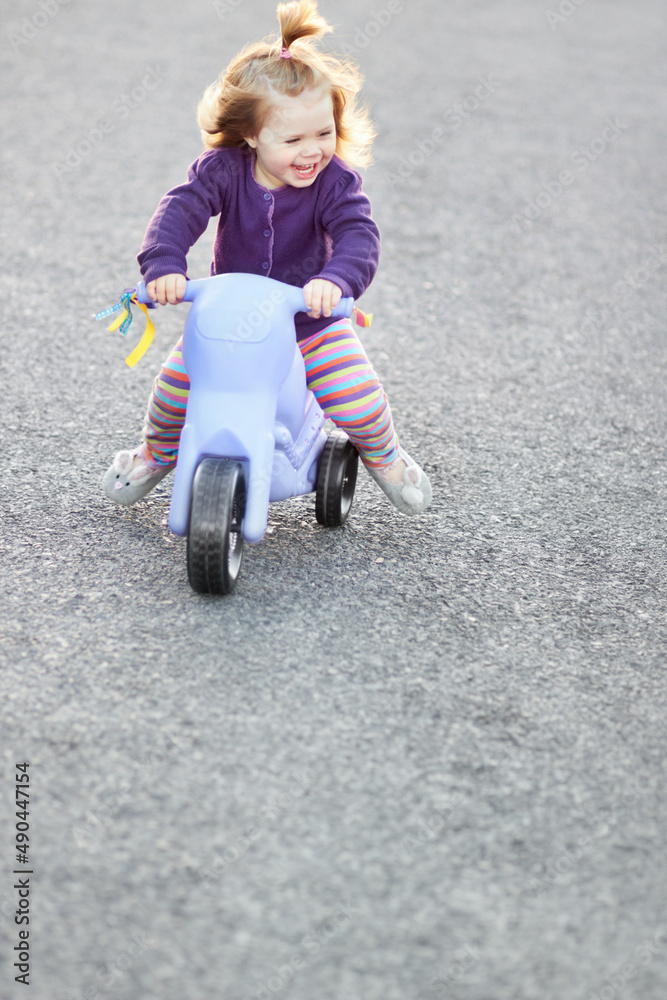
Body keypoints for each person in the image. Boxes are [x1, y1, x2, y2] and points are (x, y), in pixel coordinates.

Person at [102, 0, 432, 516]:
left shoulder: (334, 183)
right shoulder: (224, 171)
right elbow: (180, 209)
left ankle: (386, 457)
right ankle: (158, 452)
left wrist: (336, 280)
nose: (313, 151)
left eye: (324, 133)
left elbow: (358, 233)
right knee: (173, 391)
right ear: (253, 135)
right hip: (229, 324)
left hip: (309, 322)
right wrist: (164, 265)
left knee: (358, 398)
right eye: (293, 138)